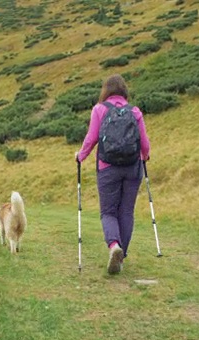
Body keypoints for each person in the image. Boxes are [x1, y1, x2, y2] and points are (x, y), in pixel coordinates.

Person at [75, 74, 151, 275]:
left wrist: (80, 156)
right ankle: (122, 255)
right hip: (132, 167)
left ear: (105, 91)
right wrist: (146, 156)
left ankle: (113, 245)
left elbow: (91, 139)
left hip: (107, 167)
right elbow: (144, 144)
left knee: (108, 212)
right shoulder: (134, 111)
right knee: (126, 211)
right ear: (124, 90)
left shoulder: (99, 110)